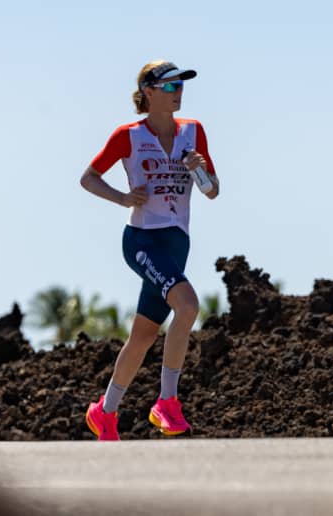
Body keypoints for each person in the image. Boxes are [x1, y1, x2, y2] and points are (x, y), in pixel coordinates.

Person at [80, 60, 220, 441]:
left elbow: (212, 190)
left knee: (143, 335)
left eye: (181, 86)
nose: (179, 93)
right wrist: (123, 197)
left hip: (177, 241)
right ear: (149, 92)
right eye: (171, 86)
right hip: (143, 241)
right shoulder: (128, 135)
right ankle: (167, 403)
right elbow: (88, 178)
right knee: (188, 306)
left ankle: (104, 412)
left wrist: (199, 170)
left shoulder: (194, 132)